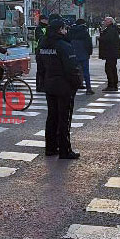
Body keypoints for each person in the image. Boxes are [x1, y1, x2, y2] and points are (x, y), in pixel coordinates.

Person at [38, 18, 83, 159]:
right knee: (64, 118)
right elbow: (72, 68)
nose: (66, 31)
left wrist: (42, 84)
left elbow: (40, 67)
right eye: (64, 28)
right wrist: (76, 83)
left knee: (52, 117)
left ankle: (50, 147)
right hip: (64, 86)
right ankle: (65, 149)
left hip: (49, 85)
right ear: (60, 30)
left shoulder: (43, 44)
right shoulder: (64, 45)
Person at [68, 18, 94, 94]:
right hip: (83, 54)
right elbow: (89, 44)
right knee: (86, 71)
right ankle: (88, 88)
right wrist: (89, 53)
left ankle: (72, 87)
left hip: (73, 53)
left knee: (73, 71)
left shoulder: (71, 31)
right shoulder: (84, 32)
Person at [98, 17, 120, 91]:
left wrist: (100, 38)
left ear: (110, 22)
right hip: (112, 53)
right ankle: (114, 84)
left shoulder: (110, 30)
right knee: (112, 68)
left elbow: (107, 40)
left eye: (105, 20)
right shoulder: (112, 29)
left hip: (110, 53)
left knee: (109, 69)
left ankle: (111, 85)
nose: (104, 22)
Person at [33, 15, 49, 93]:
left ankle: (43, 85)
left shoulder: (46, 27)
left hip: (44, 50)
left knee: (44, 69)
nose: (47, 21)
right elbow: (40, 38)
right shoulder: (39, 28)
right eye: (46, 19)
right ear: (42, 20)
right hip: (40, 50)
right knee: (40, 70)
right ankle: (39, 86)